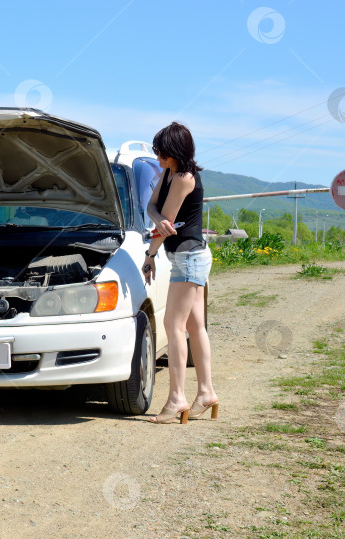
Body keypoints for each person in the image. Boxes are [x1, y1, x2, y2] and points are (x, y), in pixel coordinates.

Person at [142, 122, 217, 424]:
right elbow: (152, 208)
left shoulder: (184, 178)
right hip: (190, 256)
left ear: (175, 151)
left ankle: (176, 399)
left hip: (188, 257)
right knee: (195, 326)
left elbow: (167, 222)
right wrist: (158, 220)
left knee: (174, 326)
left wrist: (149, 255)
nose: (157, 156)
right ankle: (206, 392)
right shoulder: (169, 172)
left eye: (161, 151)